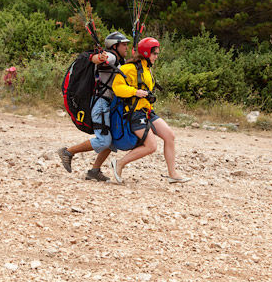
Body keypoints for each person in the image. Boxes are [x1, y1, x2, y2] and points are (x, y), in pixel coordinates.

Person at [109, 37, 190, 184]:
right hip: (135, 113)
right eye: (155, 54)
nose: (157, 57)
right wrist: (135, 92)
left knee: (170, 136)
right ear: (146, 53)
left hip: (147, 110)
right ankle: (119, 163)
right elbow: (117, 87)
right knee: (151, 146)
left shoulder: (147, 68)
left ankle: (173, 174)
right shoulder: (129, 68)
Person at [58, 31, 131, 181]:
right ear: (115, 46)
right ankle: (68, 152)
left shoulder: (119, 61)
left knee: (112, 140)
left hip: (110, 105)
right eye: (124, 45)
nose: (126, 47)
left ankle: (94, 171)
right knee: (104, 140)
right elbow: (99, 59)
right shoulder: (111, 57)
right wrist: (99, 57)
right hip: (101, 105)